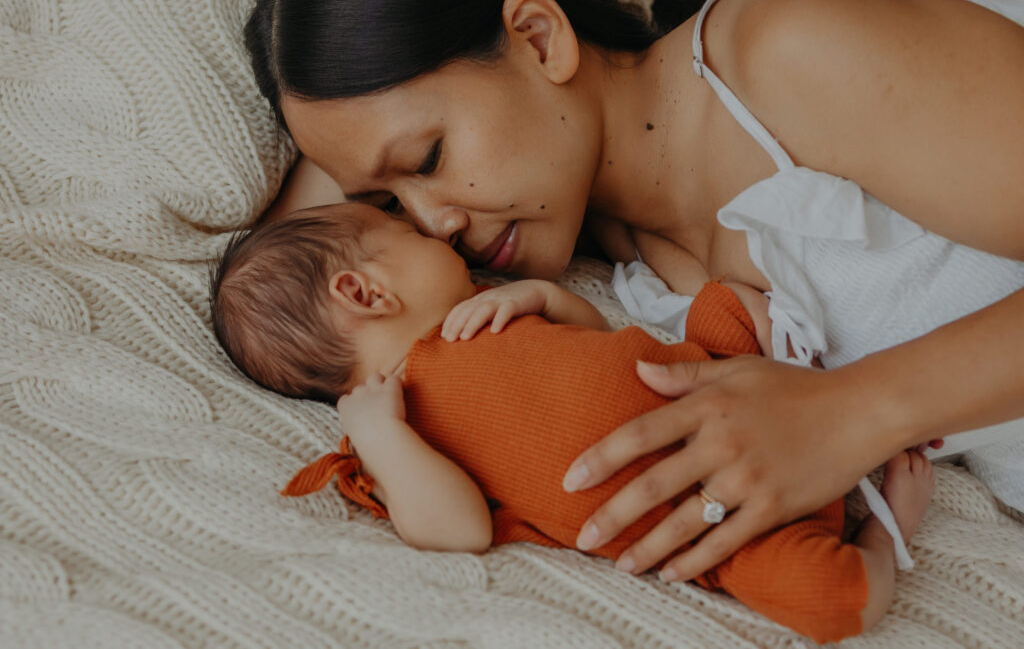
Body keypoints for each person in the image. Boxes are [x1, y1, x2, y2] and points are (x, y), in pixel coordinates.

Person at [243, 0, 1024, 584]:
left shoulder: (790, 50)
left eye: (427, 158)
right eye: (390, 204)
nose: (432, 224)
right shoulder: (614, 260)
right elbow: (286, 283)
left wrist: (855, 411)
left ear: (539, 37)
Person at [210, 201, 934, 643]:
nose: (439, 232)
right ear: (364, 290)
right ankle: (881, 530)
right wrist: (380, 436)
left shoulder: (481, 313)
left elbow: (594, 340)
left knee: (735, 299)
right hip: (720, 525)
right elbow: (457, 528)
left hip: (720, 376)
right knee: (838, 602)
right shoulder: (389, 426)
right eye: (406, 233)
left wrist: (543, 302)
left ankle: (829, 396)